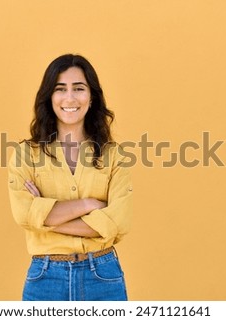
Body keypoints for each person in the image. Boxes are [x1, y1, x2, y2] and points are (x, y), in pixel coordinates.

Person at [7, 54, 133, 301]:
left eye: (79, 88)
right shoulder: (25, 154)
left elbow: (117, 224)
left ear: (91, 97)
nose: (70, 98)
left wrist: (43, 217)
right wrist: (88, 206)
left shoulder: (115, 155)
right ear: (49, 97)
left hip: (103, 276)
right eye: (60, 89)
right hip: (45, 278)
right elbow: (23, 214)